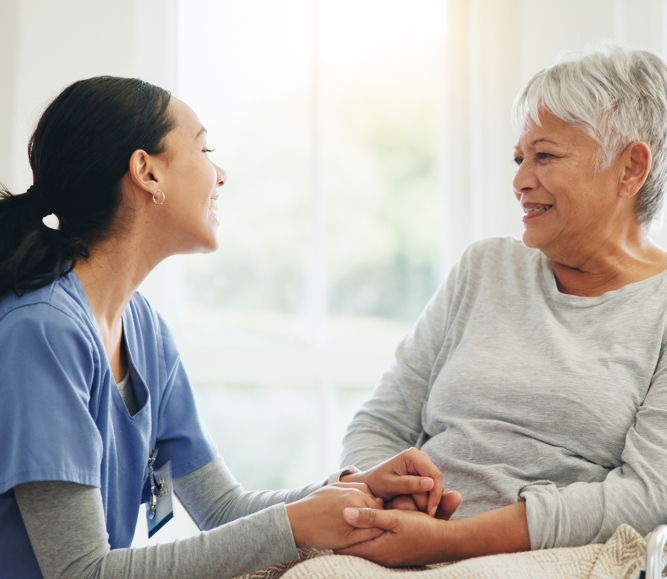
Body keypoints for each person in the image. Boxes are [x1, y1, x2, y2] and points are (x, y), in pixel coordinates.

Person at [0, 76, 458, 579]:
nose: (219, 174)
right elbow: (80, 572)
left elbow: (221, 507)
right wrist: (300, 524)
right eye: (203, 148)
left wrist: (357, 492)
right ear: (146, 172)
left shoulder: (143, 328)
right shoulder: (43, 331)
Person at [336, 44, 667, 566]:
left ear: (630, 167)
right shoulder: (484, 269)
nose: (519, 182)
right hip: (401, 540)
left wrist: (448, 542)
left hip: (555, 557)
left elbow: (647, 495)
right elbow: (380, 423)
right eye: (519, 159)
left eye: (545, 156)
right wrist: (382, 489)